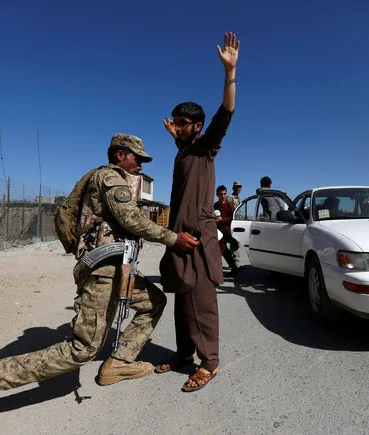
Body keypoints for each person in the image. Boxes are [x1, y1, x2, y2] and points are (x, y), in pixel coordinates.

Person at [0, 133, 199, 435]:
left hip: (117, 268)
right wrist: (172, 239)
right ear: (119, 155)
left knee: (153, 302)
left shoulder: (109, 177)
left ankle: (119, 362)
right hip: (104, 271)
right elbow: (131, 220)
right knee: (82, 349)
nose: (141, 163)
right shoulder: (111, 178)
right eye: (137, 157)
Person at [157, 31, 240, 392]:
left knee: (201, 302)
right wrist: (174, 136)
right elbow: (180, 143)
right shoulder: (183, 151)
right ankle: (184, 354)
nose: (176, 126)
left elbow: (226, 114)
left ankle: (210, 363)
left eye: (182, 123)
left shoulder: (205, 147)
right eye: (174, 122)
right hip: (179, 238)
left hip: (199, 238)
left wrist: (229, 75)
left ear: (197, 126)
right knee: (181, 301)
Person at [214, 185, 240, 275]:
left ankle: (216, 272)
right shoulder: (216, 205)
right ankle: (234, 268)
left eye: (225, 194)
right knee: (223, 250)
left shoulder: (229, 205)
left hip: (227, 231)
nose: (223, 196)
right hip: (219, 231)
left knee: (221, 251)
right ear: (217, 194)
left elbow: (232, 218)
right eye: (221, 194)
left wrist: (222, 219)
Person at [225, 180, 243, 270]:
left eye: (240, 187)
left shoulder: (237, 198)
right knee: (234, 243)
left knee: (236, 244)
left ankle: (236, 264)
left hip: (237, 223)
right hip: (231, 224)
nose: (238, 188)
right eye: (236, 187)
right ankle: (235, 264)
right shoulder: (230, 197)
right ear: (233, 188)